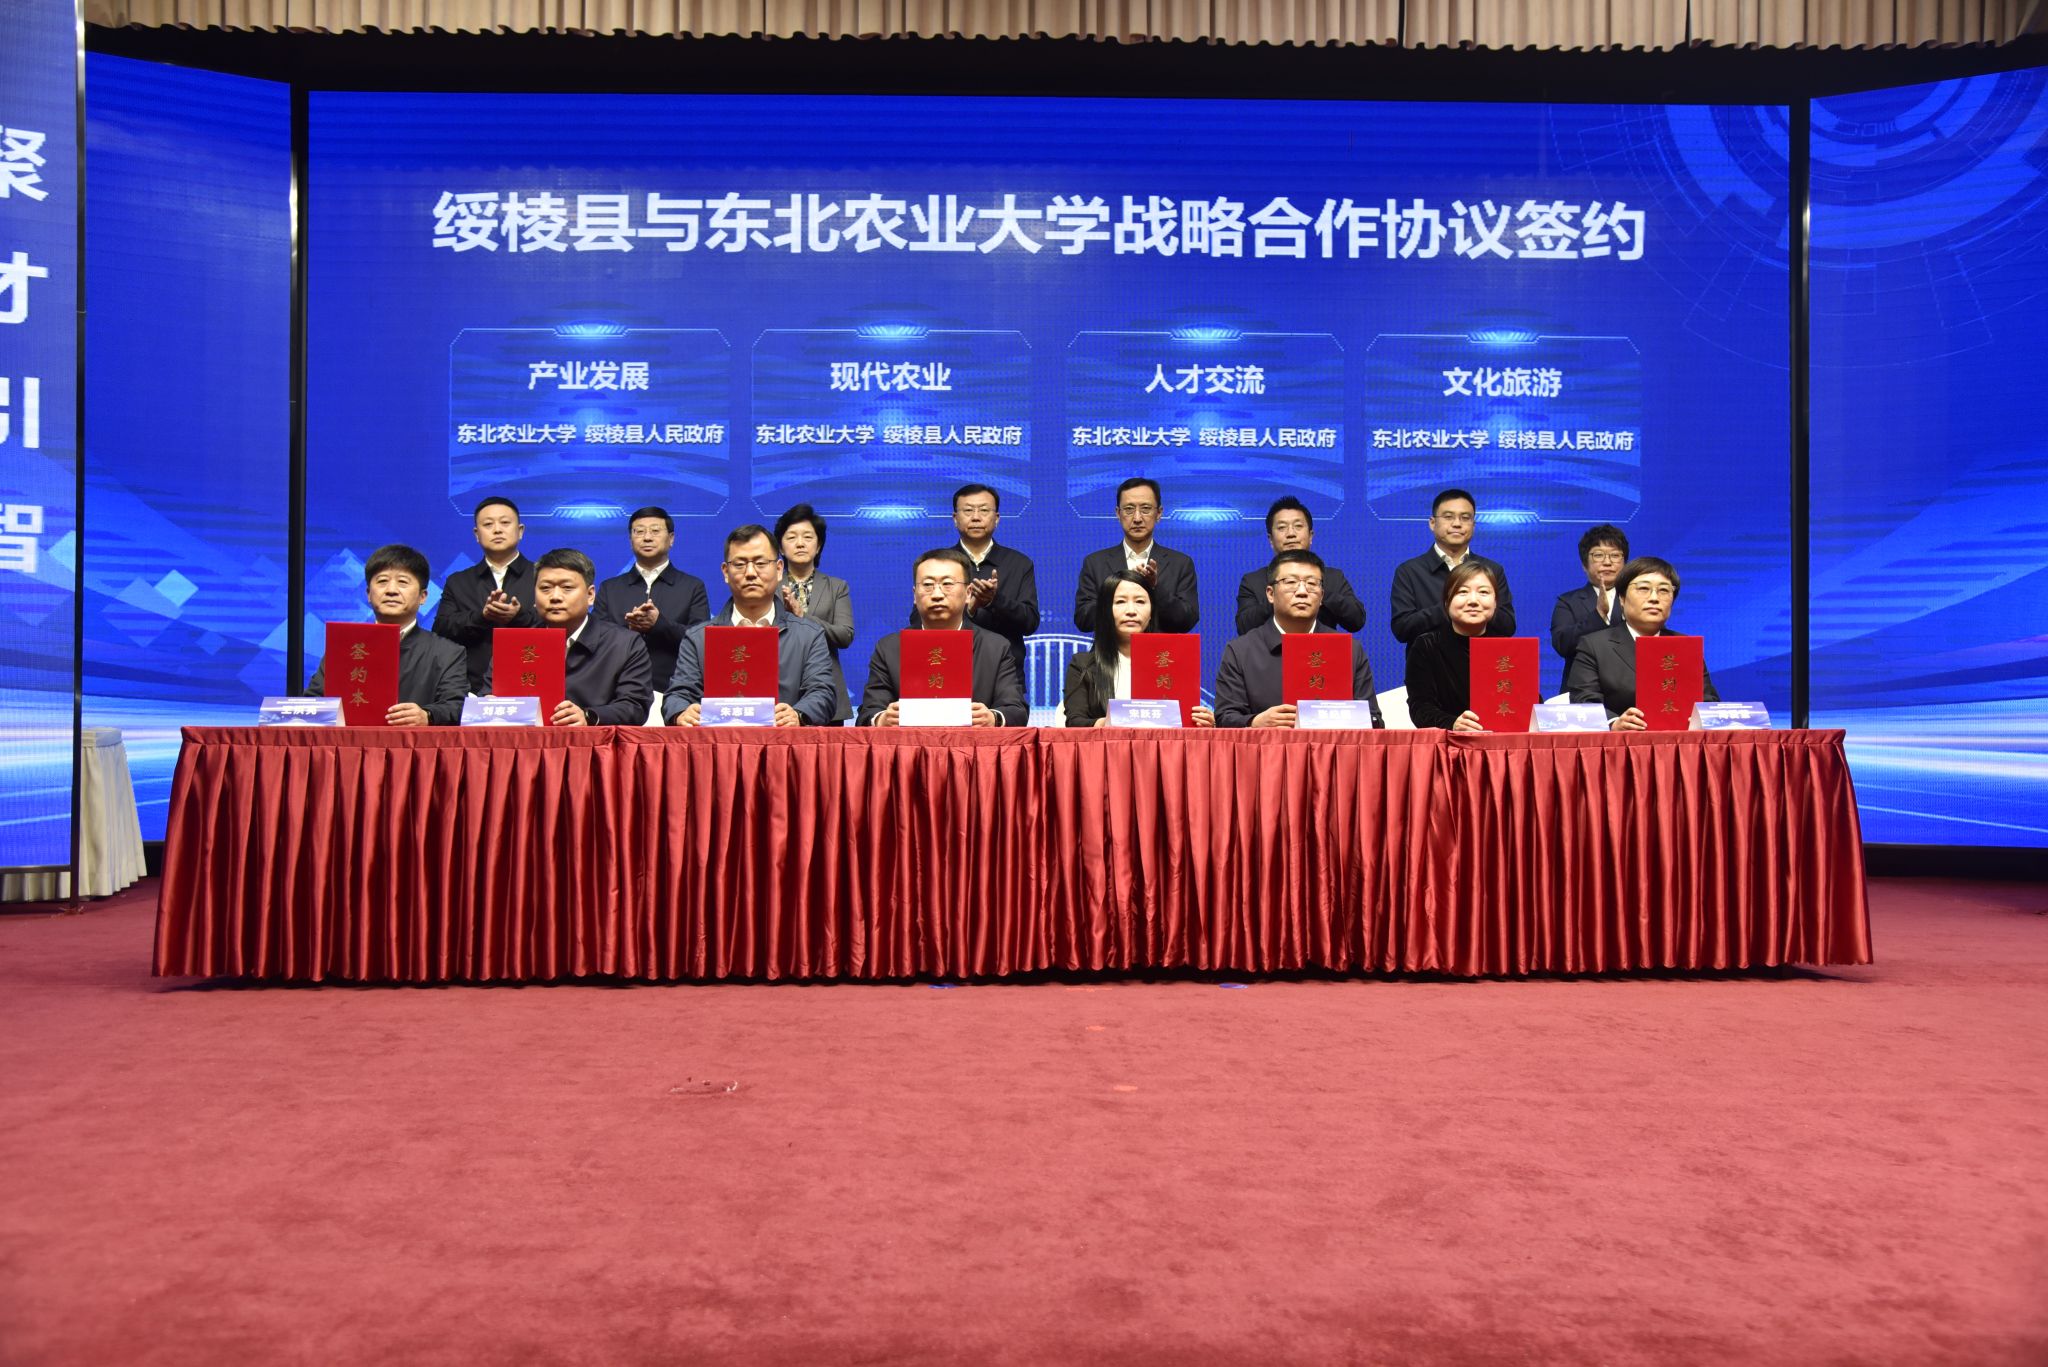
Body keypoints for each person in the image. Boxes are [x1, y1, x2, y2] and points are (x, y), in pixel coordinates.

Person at [663, 525, 838, 727]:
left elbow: (823, 692)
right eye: (739, 564)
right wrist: (681, 712)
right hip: (717, 744)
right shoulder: (698, 637)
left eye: (761, 563)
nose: (751, 573)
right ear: (725, 572)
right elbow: (677, 694)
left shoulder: (809, 635)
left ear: (779, 569)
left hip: (784, 743)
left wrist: (798, 714)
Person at [857, 547, 1028, 728]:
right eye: (928, 585)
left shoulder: (995, 647)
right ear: (914, 594)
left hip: (972, 745)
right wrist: (882, 719)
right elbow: (868, 712)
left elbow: (1016, 710)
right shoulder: (889, 648)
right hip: (910, 745)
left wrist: (993, 718)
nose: (937, 594)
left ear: (968, 593)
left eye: (947, 584)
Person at [1214, 548, 1381, 729]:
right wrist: (1255, 722)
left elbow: (1374, 721)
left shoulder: (1349, 649)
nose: (1302, 591)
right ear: (1270, 594)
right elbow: (1225, 717)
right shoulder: (1240, 651)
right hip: (1267, 747)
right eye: (1291, 582)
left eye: (1312, 583)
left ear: (1322, 596)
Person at [306, 543, 469, 726]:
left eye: (403, 582)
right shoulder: (343, 647)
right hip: (351, 743)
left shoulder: (448, 653)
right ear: (368, 594)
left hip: (414, 743)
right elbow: (313, 702)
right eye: (382, 581)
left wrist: (427, 715)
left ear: (423, 596)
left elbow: (458, 706)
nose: (391, 590)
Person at [1567, 556, 1720, 731]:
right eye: (1643, 588)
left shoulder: (1686, 647)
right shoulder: (1594, 645)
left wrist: (1701, 719)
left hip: (1682, 742)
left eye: (1664, 590)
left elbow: (1709, 701)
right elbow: (1584, 701)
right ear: (1622, 598)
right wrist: (1614, 723)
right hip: (1622, 744)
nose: (1654, 598)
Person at [907, 483, 1040, 668]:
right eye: (968, 511)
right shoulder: (935, 564)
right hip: (946, 667)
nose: (976, 517)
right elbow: (917, 622)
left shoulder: (1019, 563)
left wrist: (995, 601)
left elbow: (1030, 623)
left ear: (997, 518)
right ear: (955, 518)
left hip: (1004, 671)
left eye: (984, 510)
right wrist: (968, 609)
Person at [1062, 571, 1216, 728]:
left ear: (1151, 612)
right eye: (1120, 601)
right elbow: (1074, 722)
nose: (1131, 611)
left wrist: (1205, 723)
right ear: (1105, 611)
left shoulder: (1173, 663)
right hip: (1109, 744)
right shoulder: (1083, 665)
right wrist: (1106, 723)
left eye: (1140, 602)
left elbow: (1181, 722)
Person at [527, 548, 653, 727]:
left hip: (596, 742)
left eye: (567, 588)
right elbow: (490, 694)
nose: (555, 597)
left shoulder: (624, 644)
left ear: (590, 595)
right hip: (527, 742)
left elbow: (635, 705)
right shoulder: (516, 643)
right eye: (545, 588)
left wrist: (589, 716)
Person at [593, 505, 709, 697]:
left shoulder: (692, 586)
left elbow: (702, 642)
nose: (647, 537)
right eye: (639, 531)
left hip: (674, 692)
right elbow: (596, 640)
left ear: (671, 539)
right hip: (616, 693)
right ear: (630, 539)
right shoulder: (609, 588)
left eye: (655, 531)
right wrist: (629, 628)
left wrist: (659, 624)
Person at [433, 496, 539, 693]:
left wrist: (519, 617)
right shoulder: (458, 582)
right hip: (471, 689)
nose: (497, 530)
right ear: (476, 534)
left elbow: (559, 626)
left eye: (505, 523)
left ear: (520, 531)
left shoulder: (542, 577)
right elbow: (441, 629)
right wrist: (481, 617)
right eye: (488, 524)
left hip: (532, 683)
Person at [1387, 488, 1516, 644]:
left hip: (1481, 657)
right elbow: (1402, 629)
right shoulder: (1409, 571)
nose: (1457, 524)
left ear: (1473, 525)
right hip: (1429, 658)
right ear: (1432, 523)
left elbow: (1508, 627)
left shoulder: (1492, 570)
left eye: (1465, 518)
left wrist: (1481, 609)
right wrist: (1448, 609)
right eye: (1448, 517)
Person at [1072, 477, 1199, 634]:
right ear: (1118, 513)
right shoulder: (1095, 563)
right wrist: (1119, 598)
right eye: (1129, 509)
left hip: (1159, 649)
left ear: (1159, 513)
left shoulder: (1180, 563)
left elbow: (1187, 621)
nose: (1137, 518)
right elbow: (1083, 619)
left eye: (1145, 509)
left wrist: (1155, 588)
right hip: (1111, 650)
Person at [1234, 496, 1367, 635]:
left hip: (1319, 649)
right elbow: (1244, 628)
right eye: (1282, 527)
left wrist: (1317, 590)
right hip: (1270, 649)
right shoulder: (1253, 581)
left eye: (1298, 526)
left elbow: (1357, 620)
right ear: (1271, 539)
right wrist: (1281, 595)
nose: (1291, 534)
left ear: (1311, 536)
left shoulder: (1333, 577)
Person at [773, 503, 855, 722]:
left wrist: (803, 617)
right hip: (779, 695)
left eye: (808, 537)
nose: (800, 543)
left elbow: (845, 635)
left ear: (818, 546)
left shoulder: (836, 587)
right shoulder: (768, 587)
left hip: (826, 692)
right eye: (791, 537)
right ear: (781, 548)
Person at [1403, 562, 1504, 731]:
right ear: (1446, 602)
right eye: (1462, 592)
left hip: (1501, 742)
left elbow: (1531, 705)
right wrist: (1452, 723)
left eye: (1483, 592)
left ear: (1495, 603)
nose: (1473, 601)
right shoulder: (1427, 646)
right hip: (1448, 742)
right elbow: (1420, 708)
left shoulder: (1509, 649)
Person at [1548, 524, 1630, 692]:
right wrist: (1598, 615)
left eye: (1615, 555)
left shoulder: (1636, 599)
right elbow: (1562, 645)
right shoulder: (1568, 601)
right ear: (1584, 565)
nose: (1607, 562)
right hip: (1583, 691)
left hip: (1629, 691)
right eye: (1598, 555)